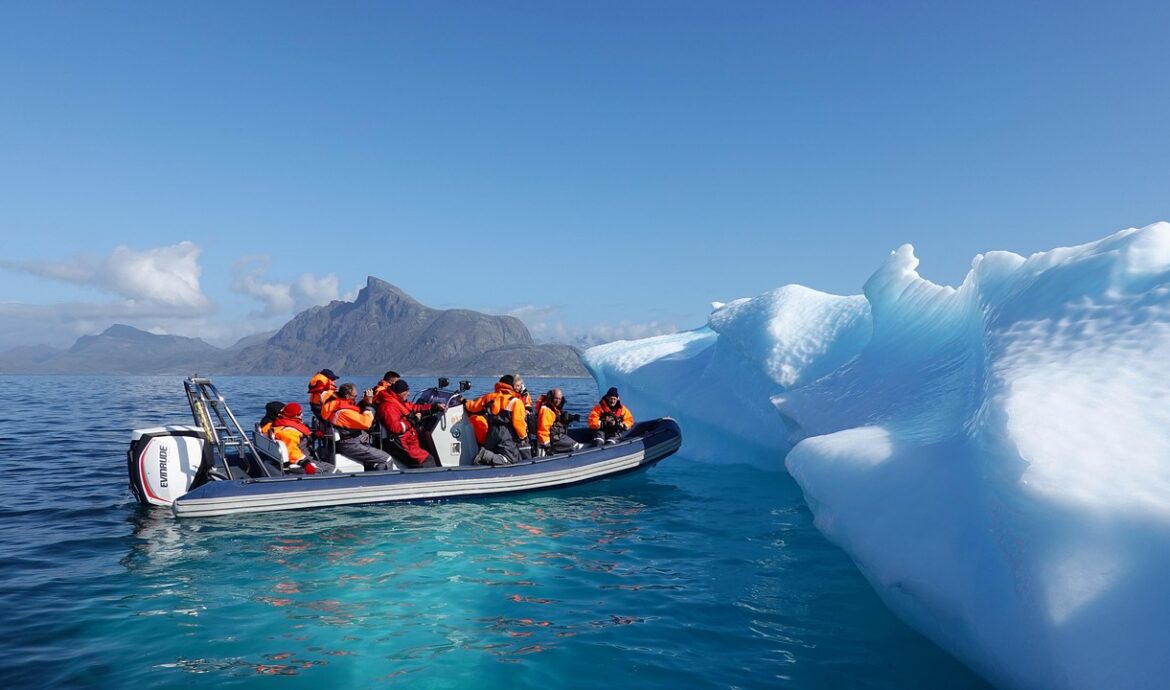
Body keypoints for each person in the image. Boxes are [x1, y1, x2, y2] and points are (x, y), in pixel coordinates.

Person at [324, 383, 393, 471]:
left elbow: (356, 415)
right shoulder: (344, 412)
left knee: (374, 459)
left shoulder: (338, 405)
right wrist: (369, 404)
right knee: (386, 459)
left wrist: (364, 402)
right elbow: (366, 423)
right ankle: (383, 481)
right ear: (347, 396)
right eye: (354, 396)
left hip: (353, 440)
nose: (356, 398)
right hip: (350, 444)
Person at [463, 374, 528, 465]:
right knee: (510, 459)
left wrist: (464, 401)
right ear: (511, 386)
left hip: (491, 432)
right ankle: (484, 454)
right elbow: (519, 423)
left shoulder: (490, 397)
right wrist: (523, 437)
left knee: (493, 454)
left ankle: (485, 458)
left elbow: (473, 406)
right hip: (506, 434)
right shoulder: (516, 402)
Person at [377, 379, 444, 469]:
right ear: (400, 392)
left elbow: (414, 407)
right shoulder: (388, 407)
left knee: (426, 451)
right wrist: (414, 420)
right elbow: (396, 428)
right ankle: (430, 480)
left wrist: (434, 407)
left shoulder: (397, 401)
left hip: (406, 439)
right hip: (398, 443)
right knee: (427, 460)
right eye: (406, 392)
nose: (409, 394)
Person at [268, 402, 334, 474]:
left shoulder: (283, 424)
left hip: (304, 456)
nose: (302, 415)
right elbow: (292, 451)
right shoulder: (289, 432)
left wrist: (314, 436)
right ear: (293, 415)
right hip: (301, 461)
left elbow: (300, 442)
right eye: (299, 414)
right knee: (332, 469)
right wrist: (305, 464)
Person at [534, 388, 583, 456]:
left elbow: (556, 420)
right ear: (551, 397)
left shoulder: (555, 408)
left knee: (576, 444)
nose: (558, 401)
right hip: (550, 440)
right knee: (576, 446)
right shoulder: (546, 410)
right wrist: (547, 446)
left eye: (559, 399)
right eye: (556, 398)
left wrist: (569, 418)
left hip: (557, 437)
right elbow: (542, 430)